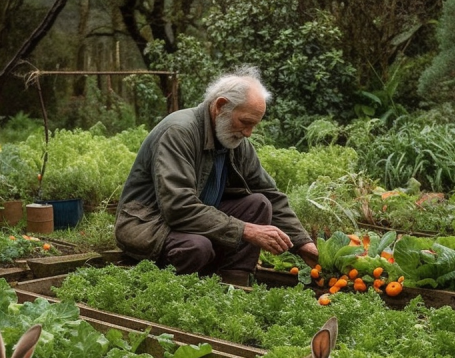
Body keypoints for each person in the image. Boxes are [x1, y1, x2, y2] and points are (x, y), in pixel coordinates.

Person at [114, 66, 318, 286]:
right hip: (151, 223)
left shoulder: (235, 140)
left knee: (258, 204)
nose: (248, 133)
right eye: (245, 122)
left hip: (192, 220)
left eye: (253, 125)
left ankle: (234, 283)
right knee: (197, 247)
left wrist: (303, 244)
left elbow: (269, 193)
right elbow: (178, 207)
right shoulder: (179, 132)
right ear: (221, 106)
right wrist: (245, 230)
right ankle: (173, 287)